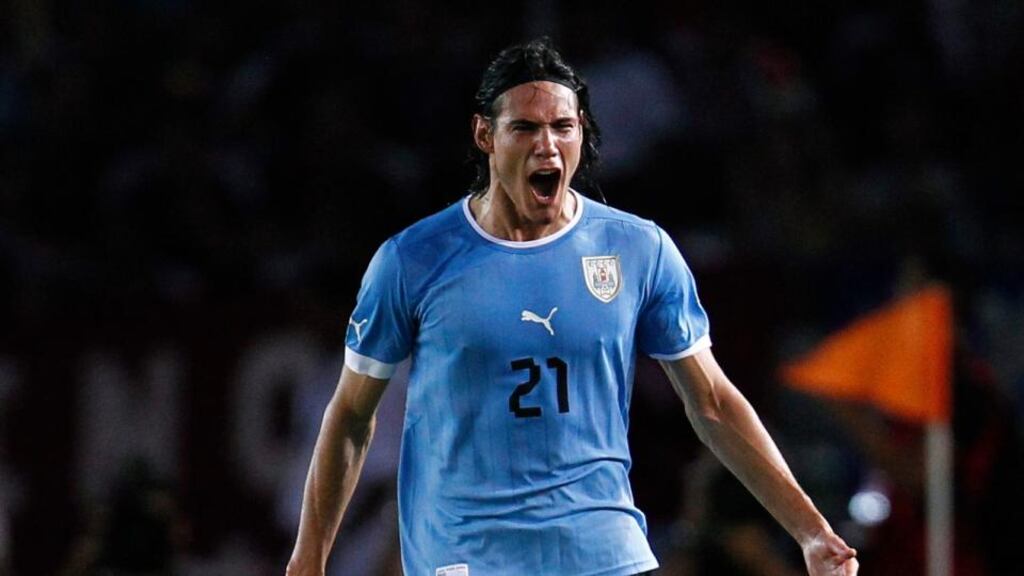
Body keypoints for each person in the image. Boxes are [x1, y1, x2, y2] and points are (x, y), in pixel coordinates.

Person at [286, 38, 858, 576]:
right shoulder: (413, 260)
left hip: (602, 552)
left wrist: (810, 532)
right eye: (525, 128)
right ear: (485, 135)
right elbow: (351, 417)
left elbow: (711, 402)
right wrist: (308, 561)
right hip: (467, 556)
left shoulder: (638, 249)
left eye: (563, 127)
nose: (547, 145)